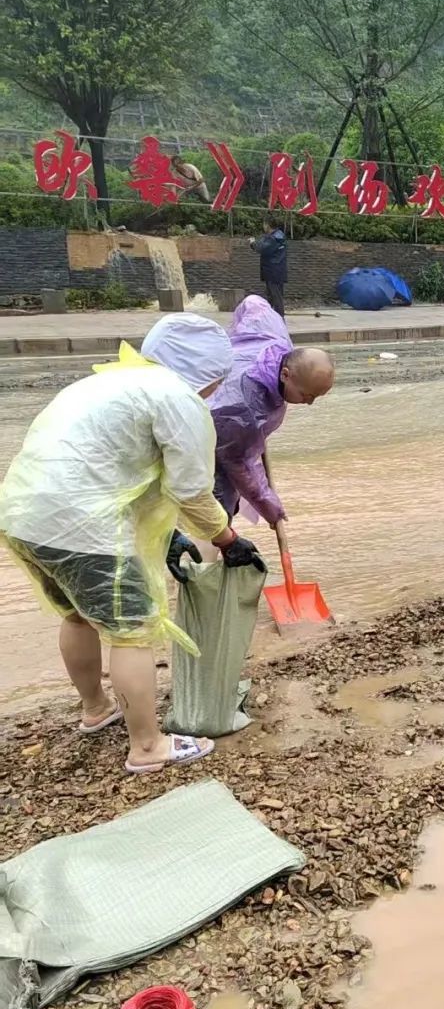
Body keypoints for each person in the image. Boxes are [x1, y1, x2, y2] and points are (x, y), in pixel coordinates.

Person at [0, 314, 265, 775]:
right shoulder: (178, 398)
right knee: (133, 632)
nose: (215, 390)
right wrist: (227, 538)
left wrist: (170, 535)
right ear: (207, 372)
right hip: (84, 527)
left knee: (77, 614)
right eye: (217, 380)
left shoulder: (107, 382)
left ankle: (96, 709)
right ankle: (147, 746)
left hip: (22, 517)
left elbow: (114, 468)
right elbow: (190, 490)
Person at [209, 295, 336, 528]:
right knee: (218, 512)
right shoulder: (245, 409)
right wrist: (267, 503)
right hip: (207, 431)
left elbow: (253, 302)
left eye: (315, 398)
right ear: (285, 375)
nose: (309, 403)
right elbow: (237, 462)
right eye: (306, 395)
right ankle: (213, 547)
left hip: (231, 427)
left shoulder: (276, 338)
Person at [250, 217, 288, 317]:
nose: (263, 226)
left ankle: (279, 319)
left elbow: (262, 248)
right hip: (276, 270)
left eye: (264, 224)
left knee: (275, 297)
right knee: (272, 296)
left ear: (268, 225)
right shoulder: (277, 236)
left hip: (273, 271)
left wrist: (253, 243)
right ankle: (271, 318)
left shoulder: (274, 238)